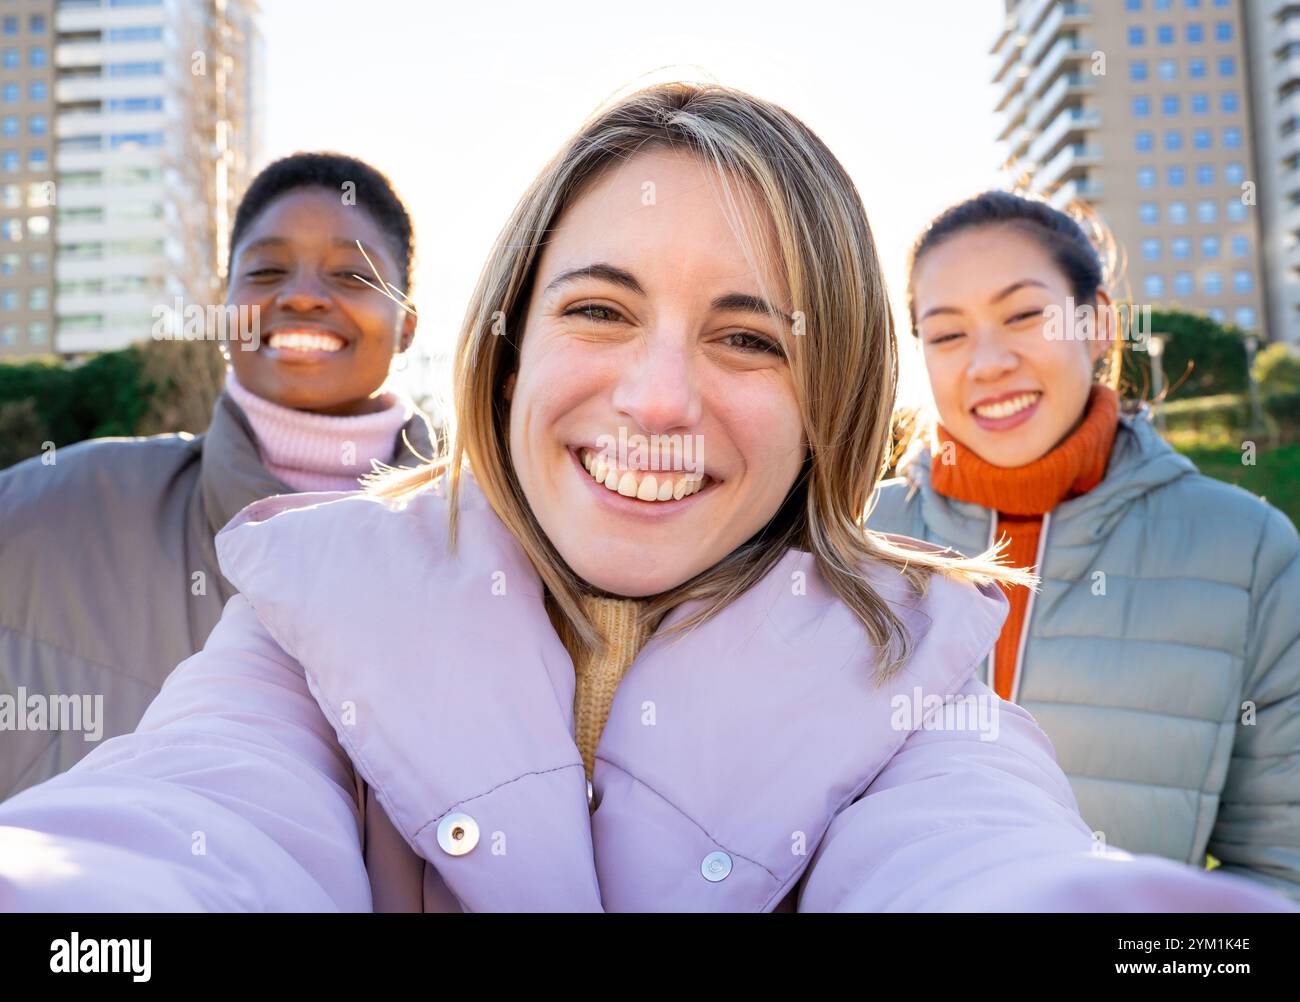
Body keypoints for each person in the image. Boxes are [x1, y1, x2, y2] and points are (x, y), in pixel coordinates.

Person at [0, 85, 1290, 912]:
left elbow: (990, 867)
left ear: (827, 402)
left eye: (749, 339)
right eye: (600, 310)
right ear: (506, 351)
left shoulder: (923, 675)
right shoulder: (306, 618)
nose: (658, 398)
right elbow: (187, 831)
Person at [868, 190, 1300, 901]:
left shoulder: (1247, 552)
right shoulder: (857, 542)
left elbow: (1281, 878)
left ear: (1099, 323)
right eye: (947, 334)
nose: (988, 361)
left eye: (1024, 314)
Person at [0, 152, 435, 799]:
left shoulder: (498, 539)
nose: (302, 295)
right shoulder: (51, 509)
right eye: (265, 270)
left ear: (406, 327)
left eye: (351, 273)